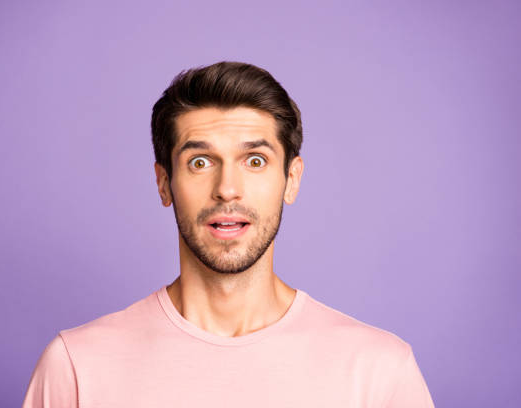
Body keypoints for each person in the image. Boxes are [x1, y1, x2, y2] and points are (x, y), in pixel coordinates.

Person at [22, 61, 435, 407]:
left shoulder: (379, 372)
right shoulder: (76, 366)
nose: (227, 188)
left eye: (255, 160)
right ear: (164, 183)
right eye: (200, 162)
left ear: (291, 179)